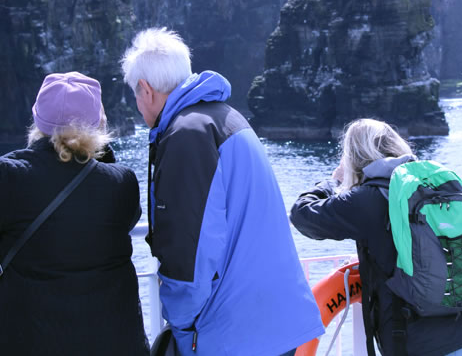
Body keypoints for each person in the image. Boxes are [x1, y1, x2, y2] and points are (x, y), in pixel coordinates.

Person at [120, 28, 324, 356]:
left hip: (235, 335)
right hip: (275, 323)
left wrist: (182, 326)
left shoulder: (187, 136)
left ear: (146, 89)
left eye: (135, 94)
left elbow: (191, 251)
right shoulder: (226, 119)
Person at [0, 71, 149, 356]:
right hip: (112, 343)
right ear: (98, 124)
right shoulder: (121, 184)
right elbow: (125, 215)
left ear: (37, 120)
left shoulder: (12, 177)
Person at [290, 118, 462, 356]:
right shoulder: (435, 181)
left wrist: (334, 180)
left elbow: (302, 213)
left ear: (354, 158)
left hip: (422, 344)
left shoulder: (366, 199)